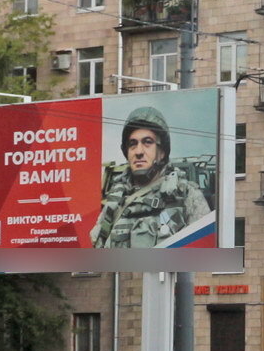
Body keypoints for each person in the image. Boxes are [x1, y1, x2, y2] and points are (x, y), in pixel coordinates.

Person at [90, 106, 211, 248]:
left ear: (162, 152)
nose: (139, 151)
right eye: (132, 144)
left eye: (147, 142)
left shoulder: (187, 195)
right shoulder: (115, 200)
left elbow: (205, 252)